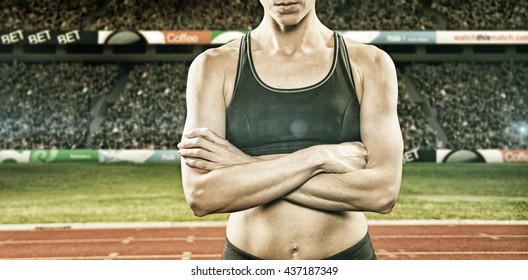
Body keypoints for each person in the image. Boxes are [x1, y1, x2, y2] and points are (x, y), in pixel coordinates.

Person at [178, 0, 403, 260]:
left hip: (347, 259)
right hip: (247, 262)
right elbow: (202, 195)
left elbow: (382, 192)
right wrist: (318, 158)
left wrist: (241, 164)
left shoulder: (370, 63)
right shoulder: (211, 66)